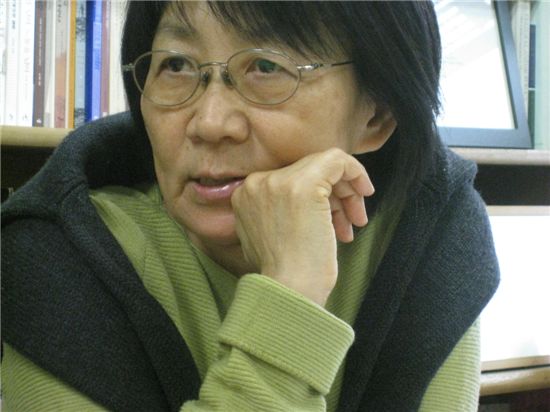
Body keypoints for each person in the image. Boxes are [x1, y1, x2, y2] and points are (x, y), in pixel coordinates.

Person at [1, 1, 500, 411]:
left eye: (266, 66)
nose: (210, 122)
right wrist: (291, 293)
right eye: (176, 65)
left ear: (377, 114)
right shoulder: (55, 256)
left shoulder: (428, 232)